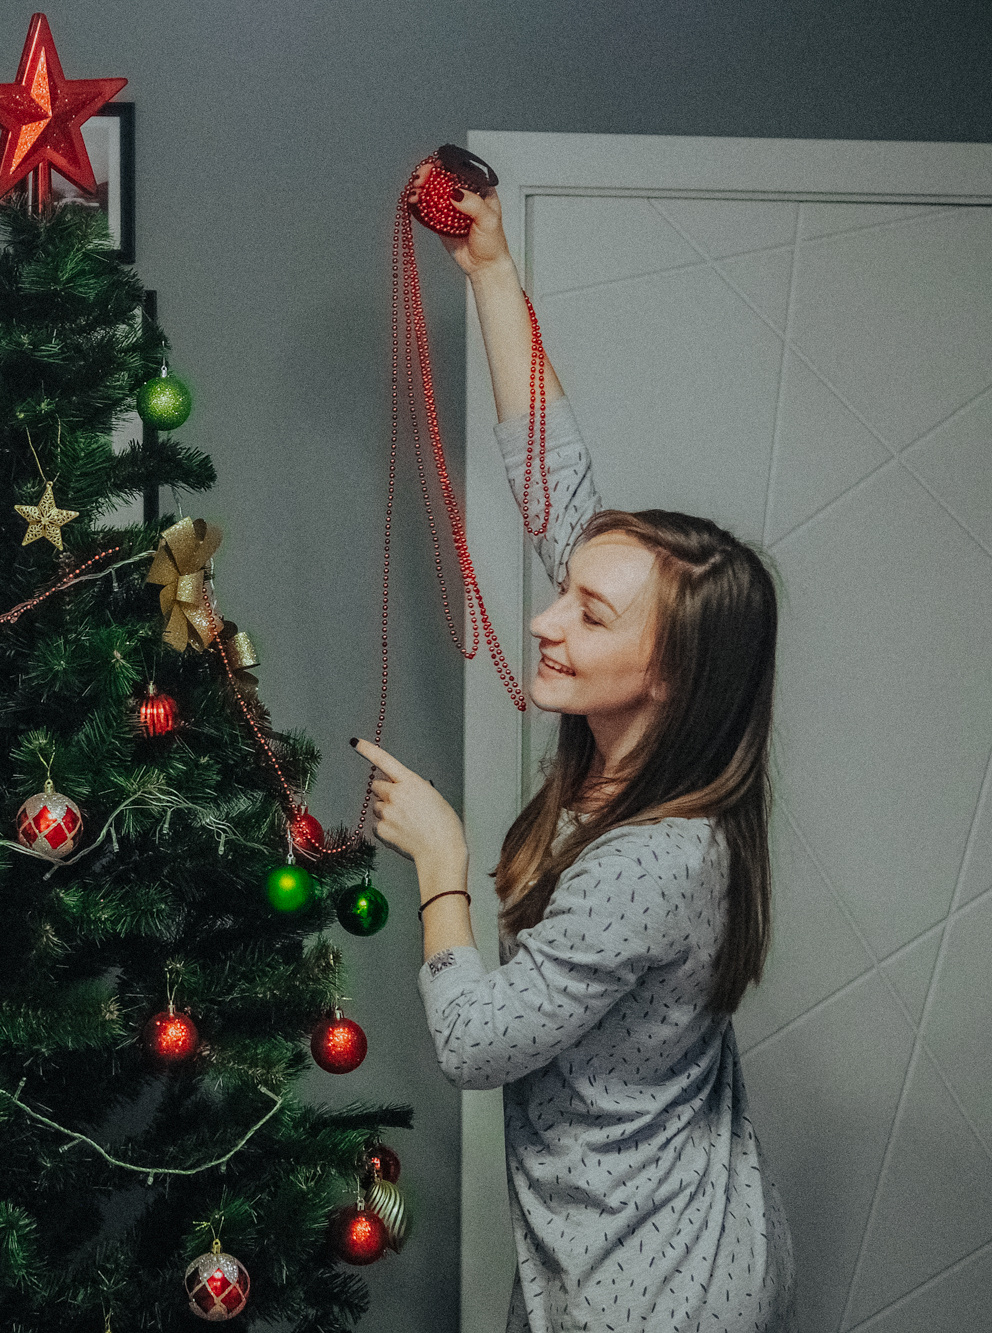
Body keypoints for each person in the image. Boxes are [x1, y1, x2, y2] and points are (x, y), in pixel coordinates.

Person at [355, 173, 796, 1331]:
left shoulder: (659, 856)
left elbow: (471, 1042)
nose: (549, 620)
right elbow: (553, 483)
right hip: (601, 1238)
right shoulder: (642, 753)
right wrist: (491, 271)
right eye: (565, 594)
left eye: (589, 616)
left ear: (670, 673)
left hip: (654, 1285)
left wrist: (440, 862)